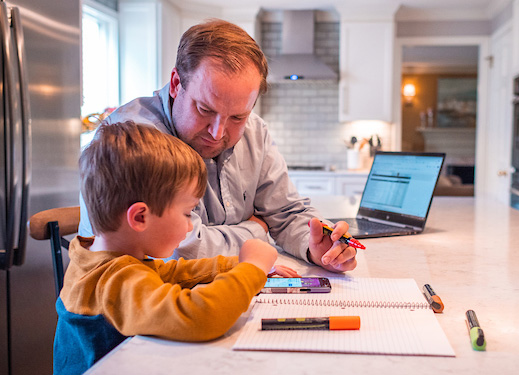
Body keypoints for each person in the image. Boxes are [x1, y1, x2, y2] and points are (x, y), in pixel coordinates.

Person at [79, 19, 357, 273]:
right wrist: (257, 229)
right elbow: (177, 251)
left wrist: (315, 246)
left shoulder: (254, 130)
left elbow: (285, 213)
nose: (218, 132)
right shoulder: (134, 139)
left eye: (237, 116)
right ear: (176, 83)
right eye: (204, 109)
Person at [55, 122, 286, 374]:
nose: (189, 227)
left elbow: (170, 273)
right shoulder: (116, 280)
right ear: (140, 217)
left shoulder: (100, 257)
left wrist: (234, 264)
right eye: (187, 213)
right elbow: (199, 317)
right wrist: (251, 269)